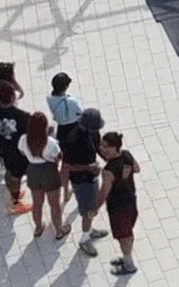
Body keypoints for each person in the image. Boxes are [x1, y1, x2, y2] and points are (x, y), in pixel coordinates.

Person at [65, 109, 109, 255]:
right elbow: (69, 166)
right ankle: (84, 239)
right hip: (81, 181)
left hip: (92, 177)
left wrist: (109, 160)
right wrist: (87, 167)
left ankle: (89, 230)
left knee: (93, 206)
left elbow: (97, 147)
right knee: (88, 211)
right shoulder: (73, 140)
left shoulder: (93, 132)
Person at [98, 130, 142, 274]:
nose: (102, 149)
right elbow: (137, 169)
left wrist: (94, 208)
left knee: (124, 237)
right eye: (101, 146)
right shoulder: (127, 155)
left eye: (106, 147)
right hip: (131, 202)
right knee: (127, 233)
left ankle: (129, 264)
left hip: (117, 208)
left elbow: (104, 192)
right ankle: (126, 257)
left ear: (114, 147)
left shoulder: (108, 170)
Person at [21, 111, 68, 238]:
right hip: (49, 172)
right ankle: (59, 230)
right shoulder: (50, 142)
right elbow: (59, 157)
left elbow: (22, 152)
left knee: (37, 203)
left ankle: (38, 228)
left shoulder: (24, 139)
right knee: (54, 204)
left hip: (33, 171)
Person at [0, 81, 34, 216]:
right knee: (16, 176)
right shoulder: (22, 116)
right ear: (13, 97)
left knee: (10, 170)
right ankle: (15, 202)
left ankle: (14, 192)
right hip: (18, 152)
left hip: (4, 147)